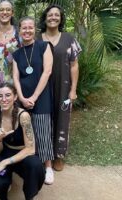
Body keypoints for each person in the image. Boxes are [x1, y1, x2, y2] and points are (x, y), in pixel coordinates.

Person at [38, 4, 82, 171]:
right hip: (42, 87)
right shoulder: (37, 38)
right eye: (50, 15)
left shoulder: (69, 39)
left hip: (63, 87)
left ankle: (59, 156)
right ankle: (44, 154)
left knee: (62, 119)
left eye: (57, 15)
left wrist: (73, 90)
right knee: (43, 119)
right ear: (45, 18)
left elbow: (74, 66)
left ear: (61, 18)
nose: (53, 17)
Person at [12, 17, 55, 184]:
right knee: (27, 133)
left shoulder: (44, 47)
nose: (27, 31)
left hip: (41, 96)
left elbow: (47, 71)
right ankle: (32, 165)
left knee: (43, 131)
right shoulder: (16, 54)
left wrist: (34, 97)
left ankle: (48, 167)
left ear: (35, 29)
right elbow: (16, 76)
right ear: (19, 30)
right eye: (24, 28)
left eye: (30, 28)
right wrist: (22, 98)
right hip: (23, 97)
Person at [0, 83, 45, 200]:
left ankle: (30, 195)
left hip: (24, 154)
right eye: (0, 96)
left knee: (36, 166)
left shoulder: (23, 116)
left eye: (8, 95)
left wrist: (5, 162)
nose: (4, 99)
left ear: (15, 97)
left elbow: (30, 149)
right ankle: (6, 183)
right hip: (5, 152)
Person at [0, 0, 21, 98]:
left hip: (15, 81)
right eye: (1, 10)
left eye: (8, 10)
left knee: (14, 110)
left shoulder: (19, 33)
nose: (5, 12)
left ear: (12, 13)